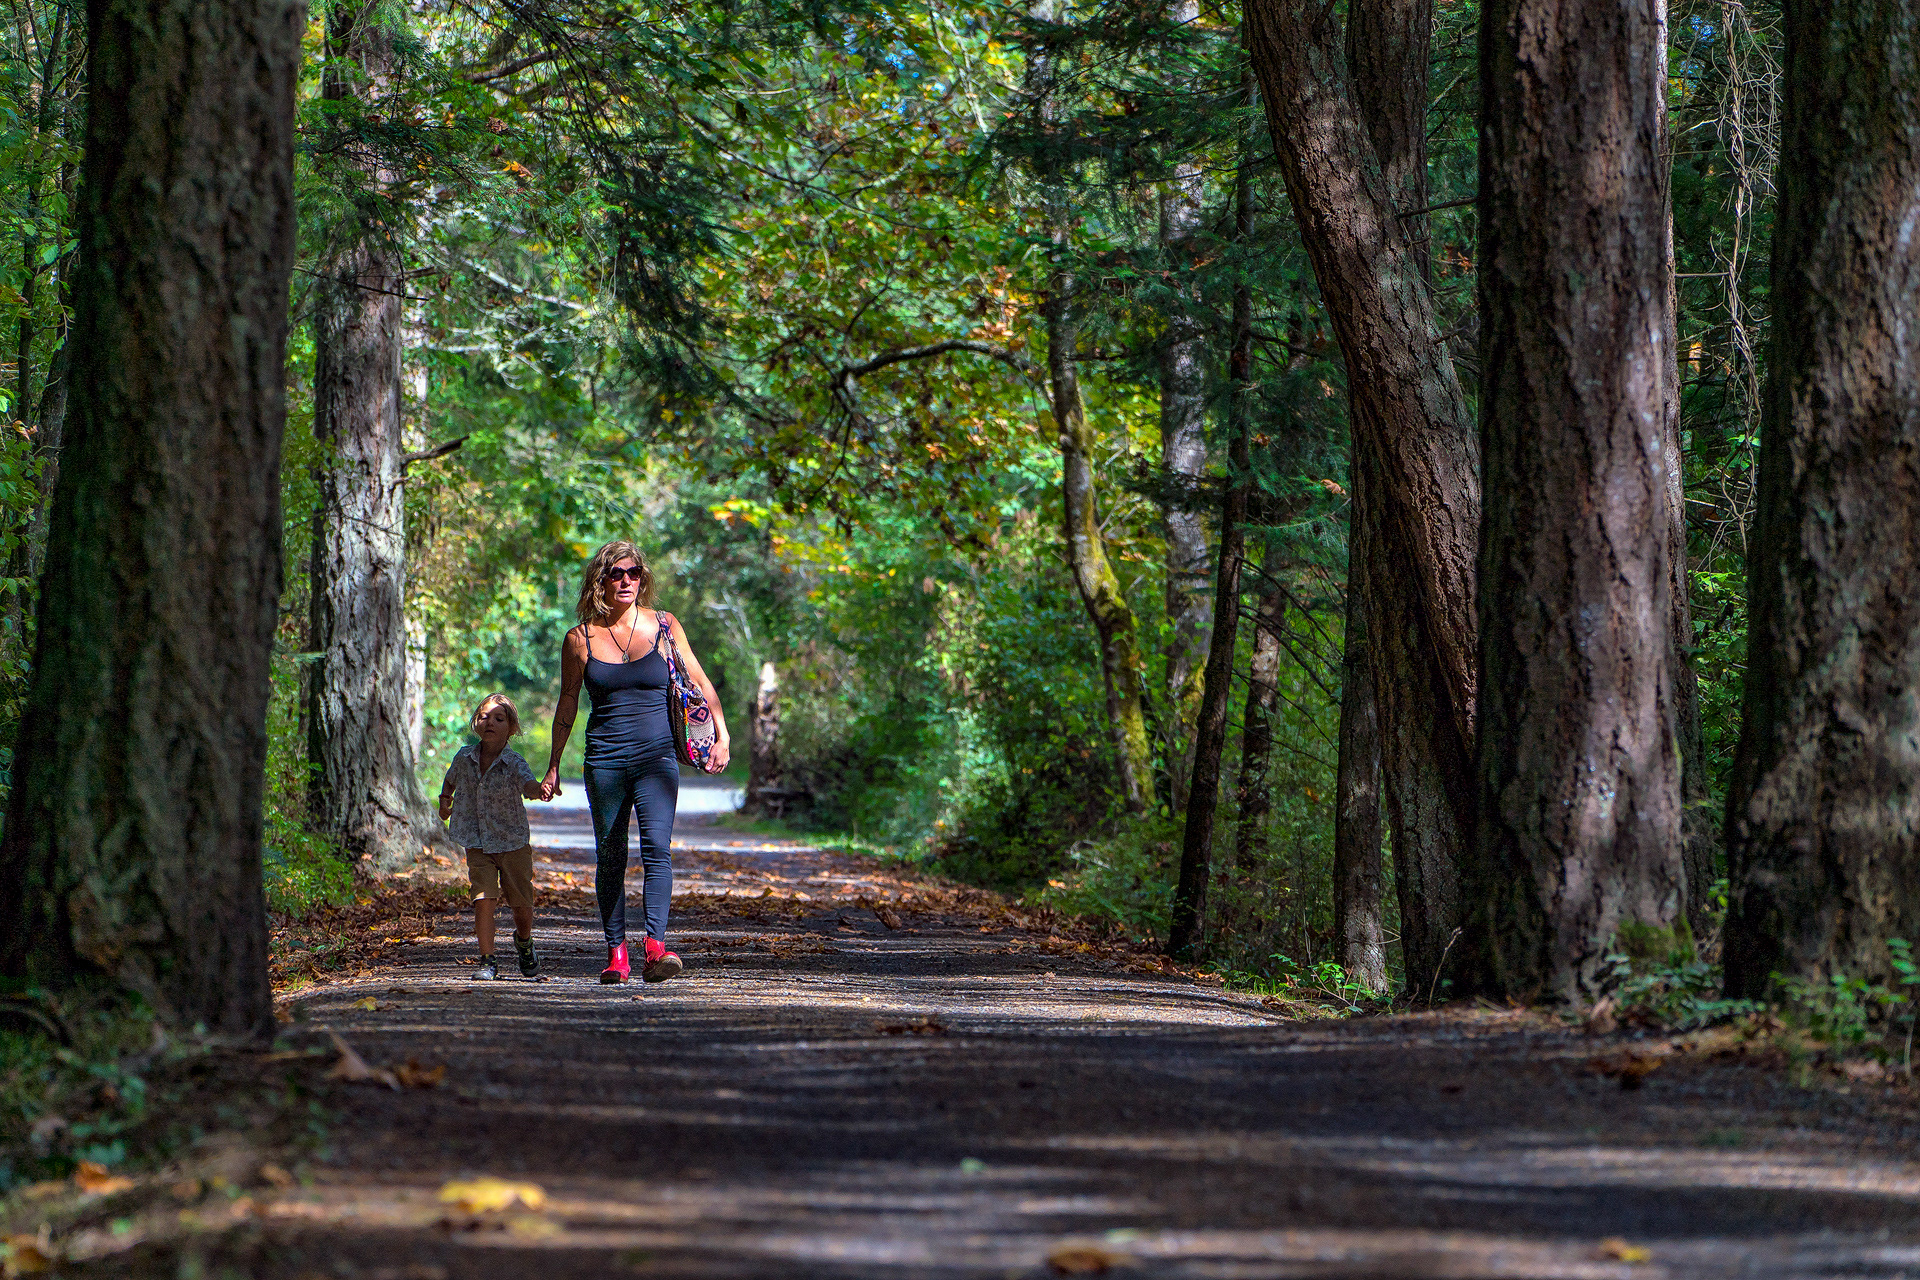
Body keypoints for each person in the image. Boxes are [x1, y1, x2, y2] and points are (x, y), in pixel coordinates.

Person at [543, 540, 731, 983]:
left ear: (642, 579)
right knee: (610, 856)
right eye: (616, 574)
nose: (626, 581)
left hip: (656, 757)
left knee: (656, 850)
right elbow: (567, 703)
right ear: (600, 581)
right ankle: (616, 955)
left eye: (633, 573)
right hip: (605, 760)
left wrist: (722, 734)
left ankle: (655, 948)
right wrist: (553, 765)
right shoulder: (579, 638)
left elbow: (699, 679)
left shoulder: (664, 626)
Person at [439, 693, 549, 981]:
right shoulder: (463, 757)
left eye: (499, 718)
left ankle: (524, 941)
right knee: (483, 898)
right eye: (485, 717)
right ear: (476, 723)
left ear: (511, 728)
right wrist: (444, 800)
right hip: (477, 842)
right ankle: (487, 960)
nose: (490, 723)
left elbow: (528, 786)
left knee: (521, 905)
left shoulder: (514, 762)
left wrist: (541, 789)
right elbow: (450, 780)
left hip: (512, 842)